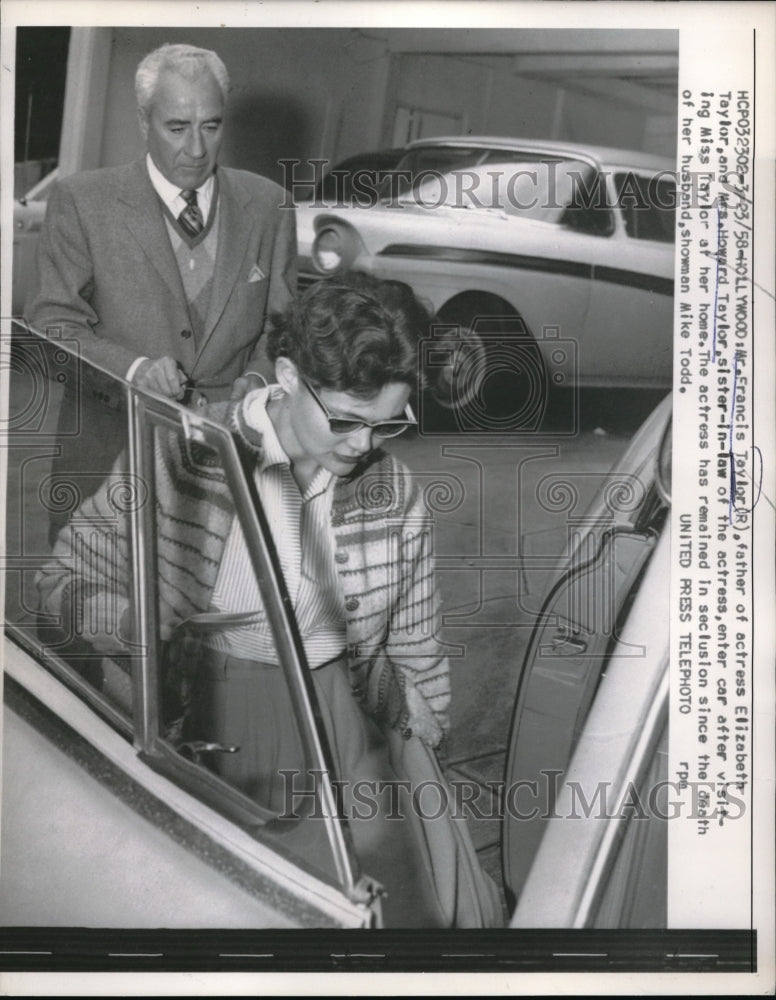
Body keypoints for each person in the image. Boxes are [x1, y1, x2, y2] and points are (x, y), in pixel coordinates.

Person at [35, 274, 502, 929]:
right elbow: (61, 581)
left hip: (341, 730)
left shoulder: (392, 492)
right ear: (286, 375)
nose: (363, 446)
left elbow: (417, 649)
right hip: (204, 727)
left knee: (368, 917)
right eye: (344, 419)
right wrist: (131, 625)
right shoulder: (182, 454)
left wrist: (423, 739)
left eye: (385, 424)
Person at [26, 42, 296, 541]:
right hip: (107, 459)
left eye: (211, 126)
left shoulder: (269, 205)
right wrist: (132, 370)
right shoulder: (83, 201)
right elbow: (51, 329)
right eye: (176, 128)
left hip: (228, 468)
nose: (196, 150)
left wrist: (257, 382)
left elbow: (281, 325)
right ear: (143, 120)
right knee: (89, 609)